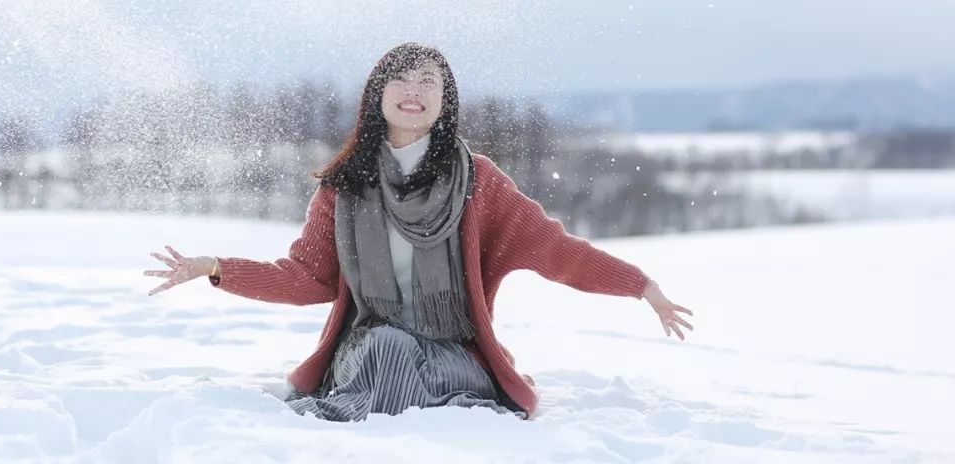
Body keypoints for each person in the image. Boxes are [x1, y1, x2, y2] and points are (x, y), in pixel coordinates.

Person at [143, 42, 693, 421]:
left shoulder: (478, 181)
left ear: (444, 100)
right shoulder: (345, 186)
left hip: (452, 350)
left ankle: (418, 410)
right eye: (401, 79)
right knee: (387, 347)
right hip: (372, 346)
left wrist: (639, 285)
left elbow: (553, 248)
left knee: (418, 365)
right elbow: (308, 278)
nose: (414, 89)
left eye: (428, 81)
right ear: (377, 95)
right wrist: (217, 268)